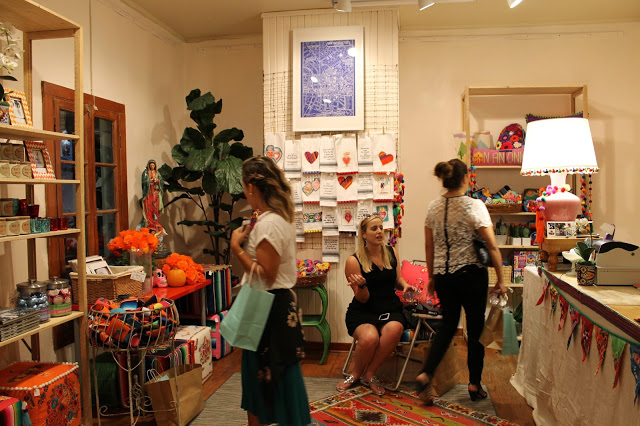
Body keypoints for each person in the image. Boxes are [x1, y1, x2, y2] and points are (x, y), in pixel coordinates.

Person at [416, 158, 506, 404]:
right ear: (465, 178)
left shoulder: (433, 208)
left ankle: (426, 373)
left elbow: (429, 245)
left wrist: (432, 276)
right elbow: (492, 245)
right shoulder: (474, 206)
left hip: (444, 276)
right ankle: (474, 384)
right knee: (475, 330)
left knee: (447, 326)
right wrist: (500, 279)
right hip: (471, 275)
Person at [230, 156, 310, 426]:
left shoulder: (269, 224)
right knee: (265, 379)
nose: (244, 192)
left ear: (252, 187)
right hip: (270, 306)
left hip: (268, 309)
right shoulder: (273, 219)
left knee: (267, 378)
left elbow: (267, 274)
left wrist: (237, 249)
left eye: (244, 186)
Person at [336, 214, 416, 396]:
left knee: (396, 329)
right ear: (364, 234)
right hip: (364, 310)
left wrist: (405, 285)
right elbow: (362, 299)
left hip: (390, 308)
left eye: (381, 227)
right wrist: (362, 285)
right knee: (369, 338)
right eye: (374, 228)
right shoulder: (354, 261)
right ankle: (355, 374)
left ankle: (370, 373)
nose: (380, 231)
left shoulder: (392, 252)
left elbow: (397, 280)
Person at [140, 160, 164, 233]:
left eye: (153, 165)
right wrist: (149, 181)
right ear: (149, 166)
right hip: (149, 193)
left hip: (155, 193)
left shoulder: (157, 173)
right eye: (151, 165)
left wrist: (157, 181)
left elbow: (161, 182)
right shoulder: (146, 173)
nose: (152, 166)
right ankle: (149, 223)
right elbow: (144, 182)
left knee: (155, 208)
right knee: (149, 207)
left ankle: (155, 222)